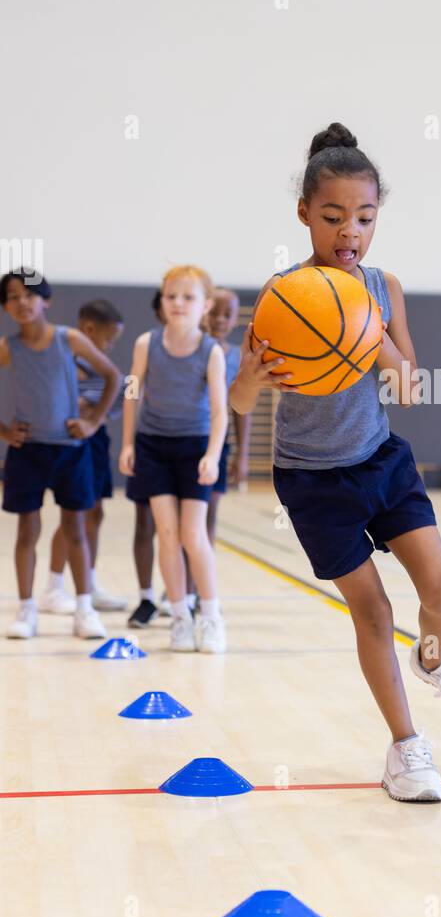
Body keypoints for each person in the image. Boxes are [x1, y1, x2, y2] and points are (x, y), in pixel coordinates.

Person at [230, 122, 441, 803]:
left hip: (380, 461)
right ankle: (406, 748)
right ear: (304, 215)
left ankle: (435, 663)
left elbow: (406, 383)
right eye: (332, 217)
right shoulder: (282, 294)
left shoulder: (384, 289)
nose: (348, 231)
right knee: (374, 612)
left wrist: (368, 335)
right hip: (310, 479)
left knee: (440, 592)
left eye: (364, 217)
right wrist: (255, 382)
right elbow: (238, 401)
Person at [0, 270, 122, 640]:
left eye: (29, 295)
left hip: (71, 451)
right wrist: (4, 431)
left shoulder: (69, 339)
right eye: (12, 296)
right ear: (5, 306)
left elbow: (114, 376)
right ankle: (26, 610)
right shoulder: (9, 347)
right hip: (27, 452)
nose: (22, 302)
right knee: (26, 531)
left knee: (76, 530)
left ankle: (84, 609)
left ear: (46, 300)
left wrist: (92, 421)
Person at [119, 266, 227, 652]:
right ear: (161, 302)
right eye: (170, 296)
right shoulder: (146, 344)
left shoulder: (210, 351)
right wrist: (128, 444)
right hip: (153, 446)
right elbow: (133, 392)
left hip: (195, 446)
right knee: (165, 533)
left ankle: (210, 617)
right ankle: (179, 616)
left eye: (188, 297)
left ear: (205, 305)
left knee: (192, 535)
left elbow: (220, 412)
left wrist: (213, 455)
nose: (178, 303)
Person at [38, 298, 127, 615]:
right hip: (75, 442)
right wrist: (89, 413)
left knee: (95, 514)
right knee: (72, 517)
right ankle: (53, 586)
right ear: (88, 329)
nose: (111, 346)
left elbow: (108, 404)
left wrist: (100, 412)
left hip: (97, 440)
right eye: (109, 339)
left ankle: (87, 582)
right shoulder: (67, 360)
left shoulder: (99, 364)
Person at [203, 287, 250, 545]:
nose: (220, 319)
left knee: (209, 514)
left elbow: (240, 409)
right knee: (184, 516)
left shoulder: (236, 356)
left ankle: (200, 581)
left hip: (218, 445)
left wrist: (241, 455)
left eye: (227, 314)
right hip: (186, 439)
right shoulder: (191, 350)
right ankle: (179, 583)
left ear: (234, 320)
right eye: (214, 312)